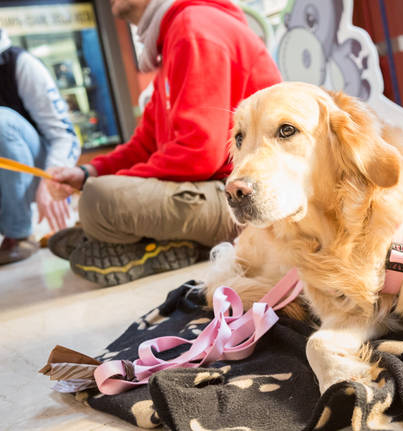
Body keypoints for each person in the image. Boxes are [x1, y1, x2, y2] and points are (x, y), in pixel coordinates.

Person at [47, 0, 282, 286]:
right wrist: (88, 174)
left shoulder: (193, 27)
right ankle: (142, 241)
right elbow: (143, 145)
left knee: (99, 200)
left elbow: (198, 154)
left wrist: (112, 185)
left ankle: (181, 246)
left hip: (242, 201)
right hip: (220, 192)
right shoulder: (175, 37)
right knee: (97, 193)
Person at [0, 29, 80, 265]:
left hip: (35, 171)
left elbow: (65, 136)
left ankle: (20, 233)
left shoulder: (20, 65)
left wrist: (50, 180)